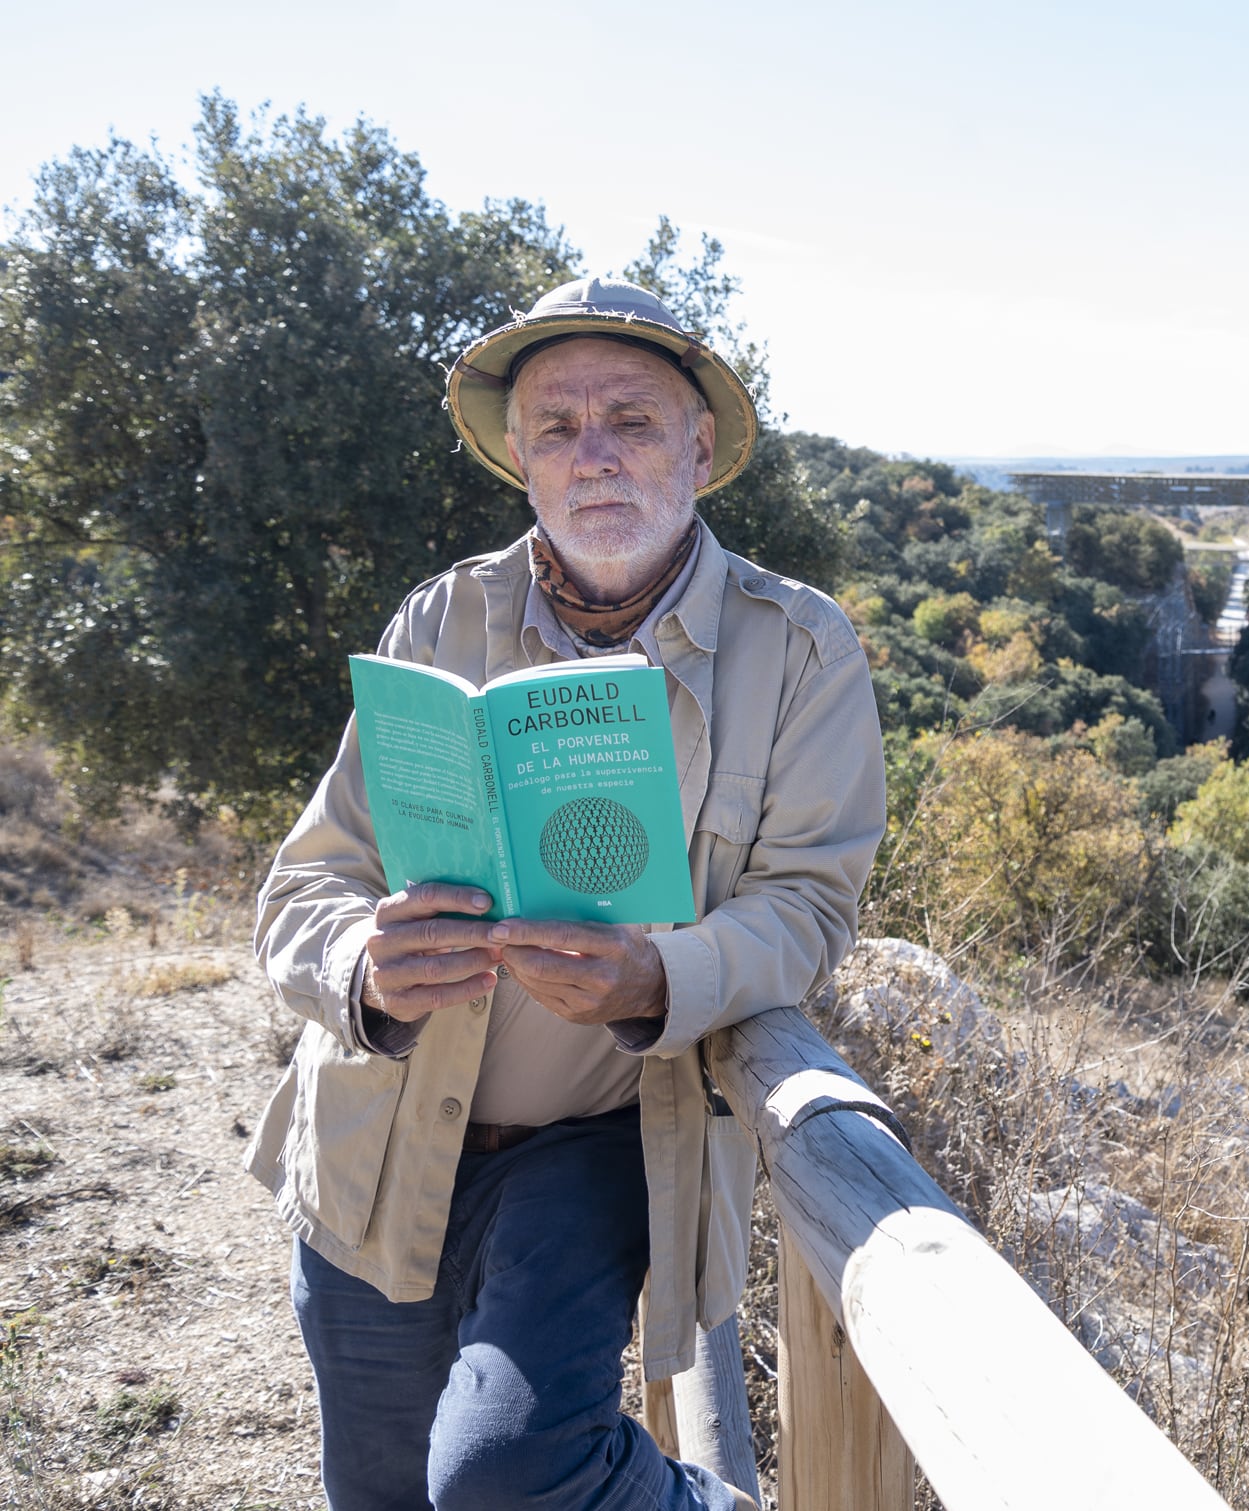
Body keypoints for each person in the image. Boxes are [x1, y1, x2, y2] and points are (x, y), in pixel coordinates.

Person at [248, 277, 885, 1510]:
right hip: (380, 1133)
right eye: (557, 425)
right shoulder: (442, 616)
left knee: (503, 1472)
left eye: (632, 421)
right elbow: (307, 880)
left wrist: (661, 978)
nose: (593, 454)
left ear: (699, 449)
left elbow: (808, 905)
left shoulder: (802, 648)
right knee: (381, 1494)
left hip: (598, 1148)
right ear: (521, 460)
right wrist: (364, 965)